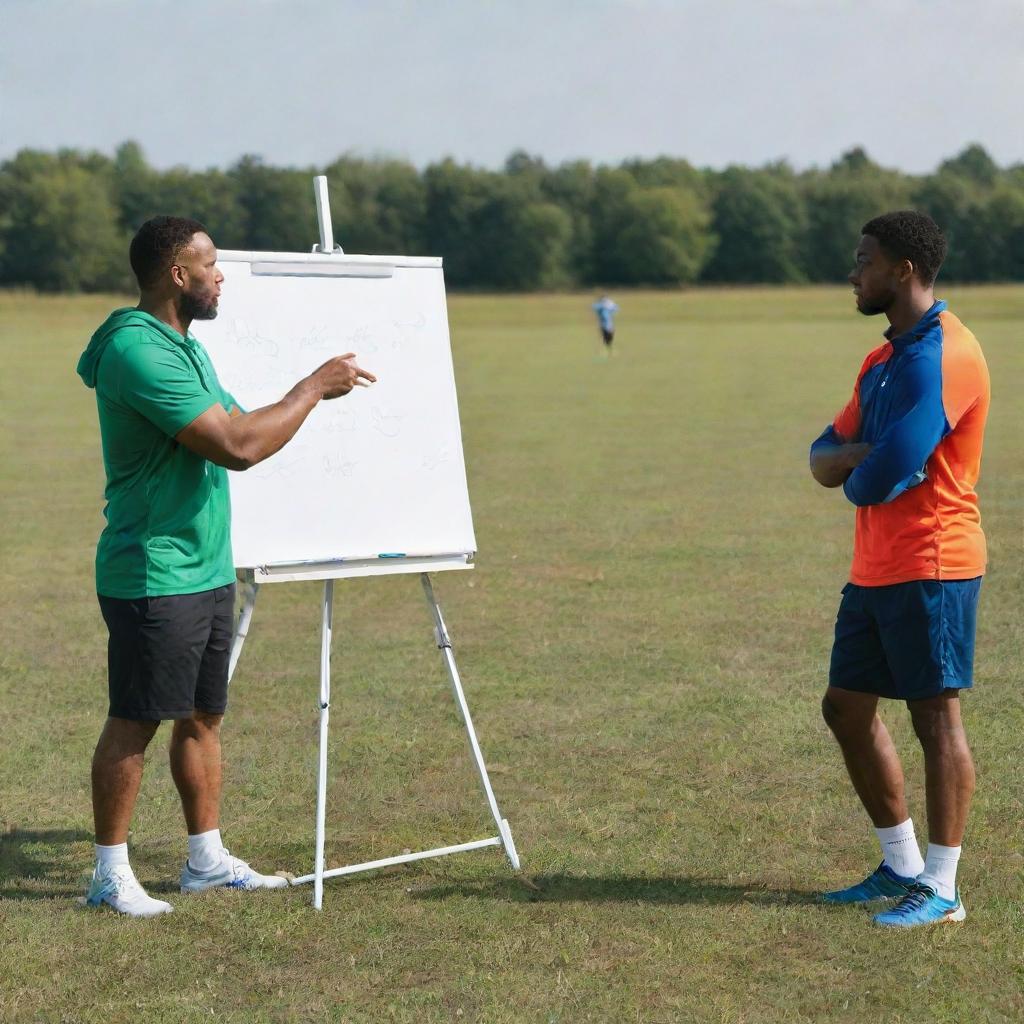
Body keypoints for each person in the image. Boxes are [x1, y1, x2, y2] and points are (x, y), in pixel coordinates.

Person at [76, 216, 376, 917]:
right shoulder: (136, 352)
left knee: (204, 716)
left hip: (205, 569)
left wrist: (308, 400)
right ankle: (108, 875)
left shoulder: (185, 348)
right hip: (155, 572)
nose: (220, 276)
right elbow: (236, 446)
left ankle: (205, 860)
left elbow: (246, 423)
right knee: (136, 720)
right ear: (177, 275)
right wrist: (310, 386)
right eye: (209, 265)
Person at [809, 211, 989, 929]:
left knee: (935, 719)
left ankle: (942, 888)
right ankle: (901, 866)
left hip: (934, 562)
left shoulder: (945, 354)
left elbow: (872, 478)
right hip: (877, 564)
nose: (853, 273)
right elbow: (827, 456)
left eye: (864, 260)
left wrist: (857, 461)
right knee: (845, 708)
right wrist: (858, 458)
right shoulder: (881, 361)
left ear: (903, 271)